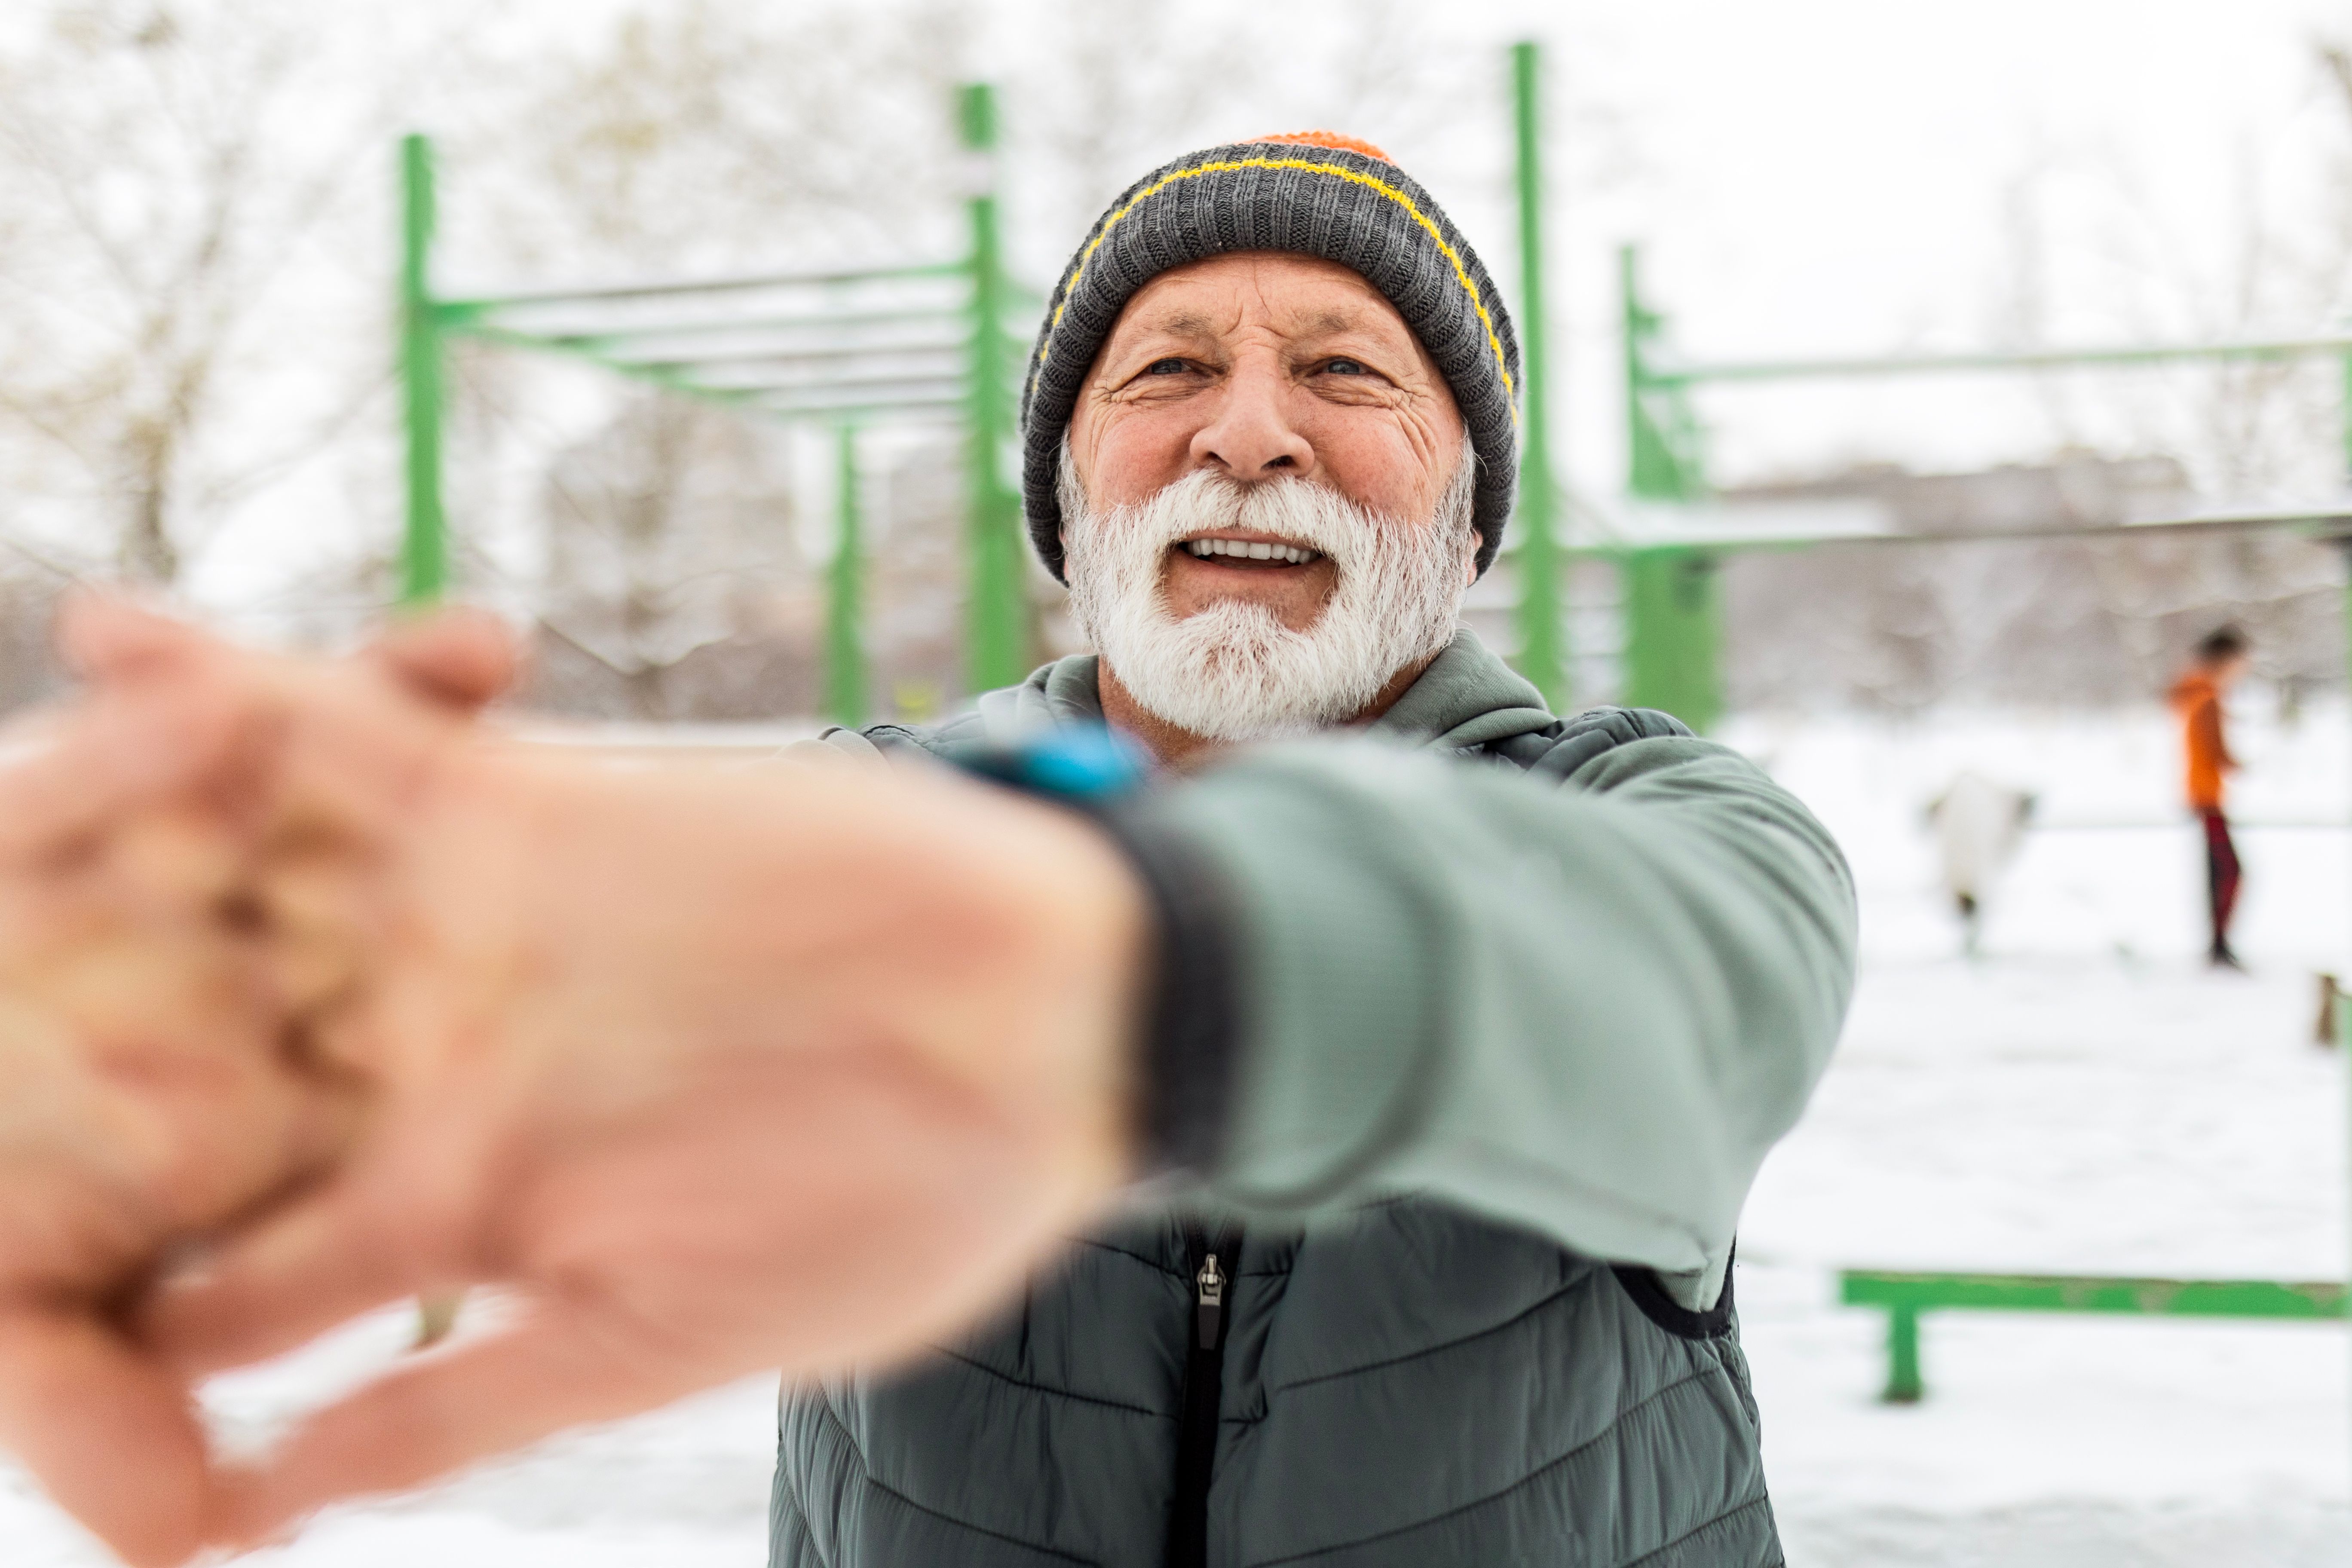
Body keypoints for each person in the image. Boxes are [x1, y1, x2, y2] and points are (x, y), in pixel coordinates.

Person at [0, 131, 1855, 1568]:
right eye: (1164, 370)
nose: (1246, 430)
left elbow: (1673, 993)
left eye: (1349, 373)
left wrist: (1114, 965)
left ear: (1464, 524)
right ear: (1069, 504)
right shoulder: (868, 822)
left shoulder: (1661, 821)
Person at [2169, 625, 2251, 968]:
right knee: (2229, 871)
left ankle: (2218, 944)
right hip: (2208, 798)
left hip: (2200, 794)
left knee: (2218, 871)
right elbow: (2216, 752)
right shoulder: (2207, 697)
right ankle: (2219, 945)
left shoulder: (2194, 692)